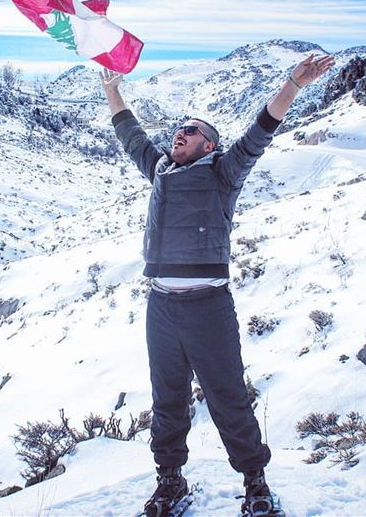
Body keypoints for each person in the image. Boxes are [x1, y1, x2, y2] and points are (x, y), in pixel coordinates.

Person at [100, 53, 335, 517]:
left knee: (227, 396)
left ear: (209, 146)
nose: (179, 134)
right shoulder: (161, 171)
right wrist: (112, 91)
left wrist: (292, 83)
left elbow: (260, 131)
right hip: (161, 308)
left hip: (208, 307)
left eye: (191, 132)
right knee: (167, 398)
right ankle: (170, 481)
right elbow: (131, 136)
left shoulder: (223, 174)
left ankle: (255, 482)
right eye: (178, 130)